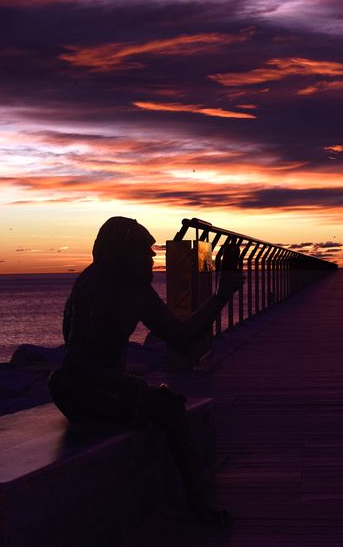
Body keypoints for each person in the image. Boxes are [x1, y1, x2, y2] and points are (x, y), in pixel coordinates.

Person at [48, 216, 242, 525]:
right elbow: (78, 362)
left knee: (167, 404)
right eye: (144, 250)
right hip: (82, 389)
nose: (153, 257)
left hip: (113, 388)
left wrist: (221, 295)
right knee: (171, 411)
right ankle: (197, 501)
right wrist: (135, 387)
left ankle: (192, 496)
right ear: (122, 253)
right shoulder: (94, 286)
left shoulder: (137, 291)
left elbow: (181, 339)